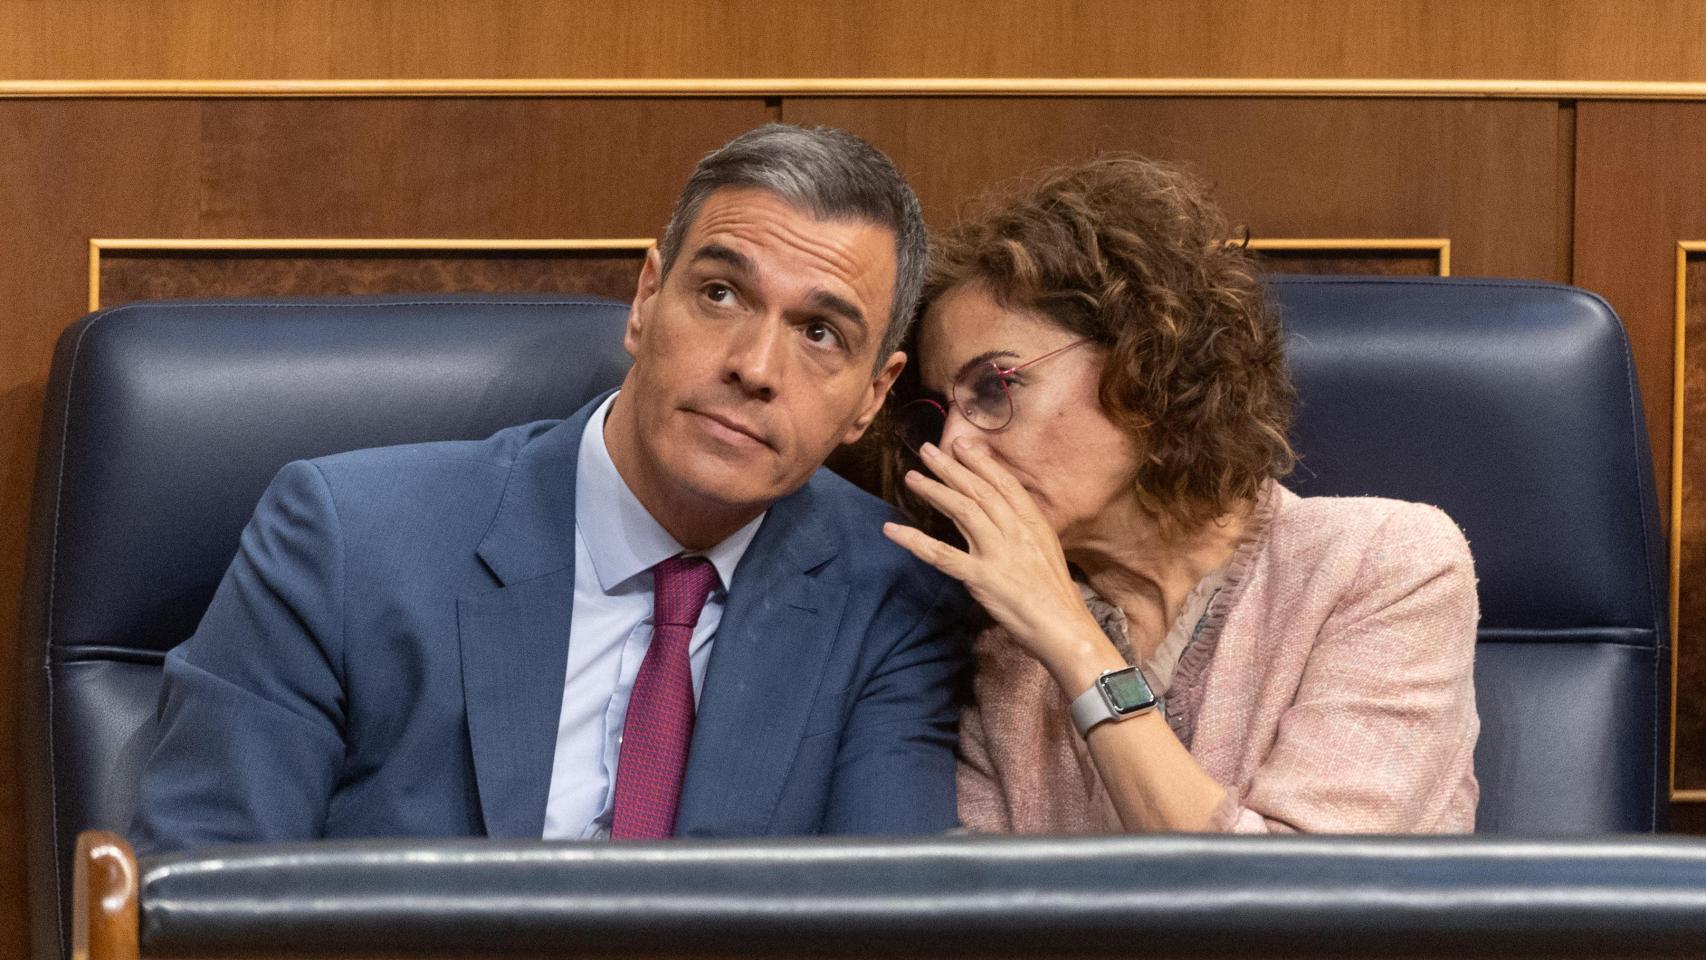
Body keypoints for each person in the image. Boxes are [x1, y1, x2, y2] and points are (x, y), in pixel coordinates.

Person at [132, 124, 968, 852]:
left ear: (870, 395)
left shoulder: (890, 601)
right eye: (720, 293)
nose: (754, 367)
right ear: (646, 300)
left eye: (820, 332)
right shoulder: (345, 540)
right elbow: (200, 898)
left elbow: (884, 923)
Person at [882, 156, 1479, 834]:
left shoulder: (1384, 564)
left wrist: (1073, 642)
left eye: (995, 385)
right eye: (942, 410)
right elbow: (987, 918)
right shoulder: (1007, 649)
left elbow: (1307, 912)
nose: (956, 443)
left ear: (1142, 363)